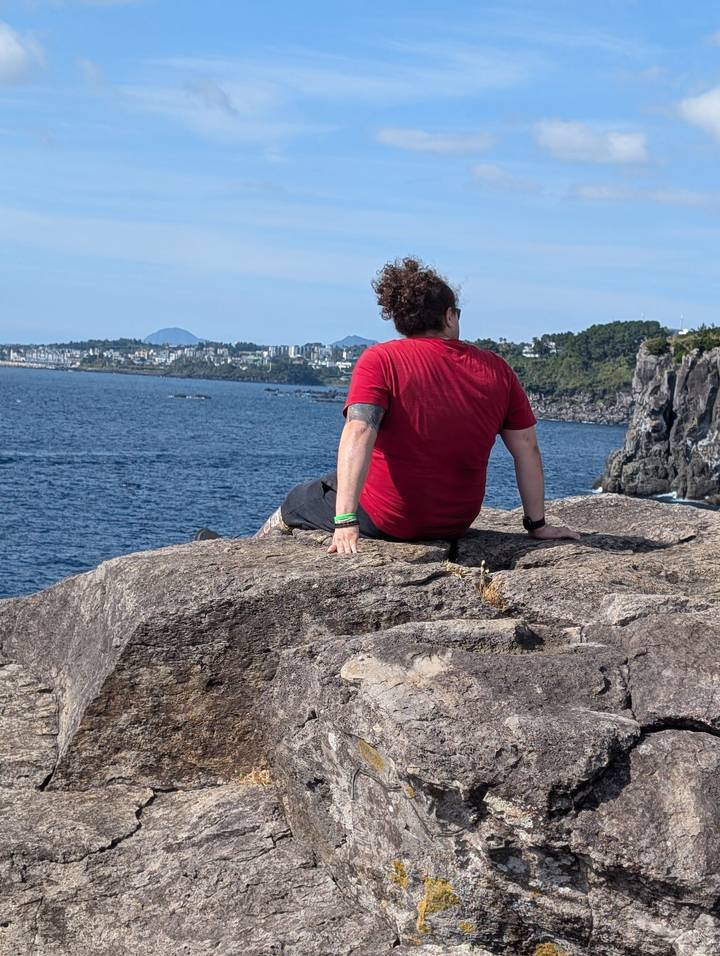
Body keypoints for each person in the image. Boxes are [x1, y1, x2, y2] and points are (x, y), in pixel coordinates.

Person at [256, 256, 581, 553]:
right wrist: (537, 525)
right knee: (336, 478)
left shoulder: (380, 360)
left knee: (299, 500)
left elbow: (358, 431)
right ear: (449, 315)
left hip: (392, 519)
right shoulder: (497, 369)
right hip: (457, 520)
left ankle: (256, 549)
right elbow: (527, 449)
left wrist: (344, 521)